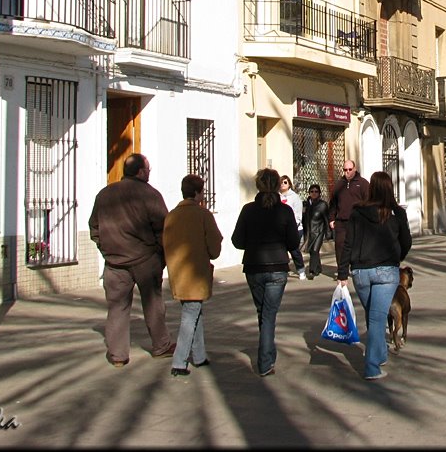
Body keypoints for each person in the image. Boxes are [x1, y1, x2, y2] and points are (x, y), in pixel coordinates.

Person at [89, 153, 175, 367]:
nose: (149, 173)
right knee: (153, 303)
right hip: (145, 258)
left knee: (117, 307)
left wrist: (105, 248)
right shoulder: (149, 194)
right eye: (148, 169)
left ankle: (118, 355)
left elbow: (94, 227)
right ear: (140, 171)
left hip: (115, 262)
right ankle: (161, 345)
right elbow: (164, 227)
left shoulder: (104, 194)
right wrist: (159, 252)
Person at [337, 171, 412, 381]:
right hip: (387, 271)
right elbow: (406, 241)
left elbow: (348, 243)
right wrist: (397, 256)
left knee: (374, 316)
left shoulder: (358, 211)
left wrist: (343, 271)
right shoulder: (396, 213)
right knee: (377, 317)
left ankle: (379, 354)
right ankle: (372, 367)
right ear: (390, 189)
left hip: (361, 271)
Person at [231, 167, 301, 377]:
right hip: (277, 267)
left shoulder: (248, 210)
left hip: (254, 266)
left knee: (263, 312)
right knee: (269, 314)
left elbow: (237, 240)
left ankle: (266, 355)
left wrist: (254, 243)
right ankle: (265, 360)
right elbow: (294, 241)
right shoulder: (284, 211)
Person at [162, 174, 223, 377]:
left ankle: (199, 355)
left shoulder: (172, 215)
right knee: (190, 314)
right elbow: (214, 247)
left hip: (178, 273)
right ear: (198, 193)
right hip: (195, 273)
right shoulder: (203, 215)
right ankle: (180, 361)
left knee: (194, 311)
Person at [328, 159, 370, 275]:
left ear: (354, 169)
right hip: (341, 222)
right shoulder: (339, 185)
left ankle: (357, 268)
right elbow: (333, 204)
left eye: (350, 169)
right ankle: (342, 270)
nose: (347, 172)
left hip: (358, 221)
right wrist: (332, 218)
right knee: (340, 247)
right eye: (345, 170)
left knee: (357, 246)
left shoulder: (363, 183)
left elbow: (368, 202)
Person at [280, 175, 306, 280]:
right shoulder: (277, 196)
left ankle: (301, 270)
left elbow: (298, 214)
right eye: (281, 182)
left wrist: (293, 226)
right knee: (282, 250)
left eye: (285, 182)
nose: (282, 184)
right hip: (281, 228)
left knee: (294, 250)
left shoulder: (294, 197)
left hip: (295, 228)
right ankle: (284, 269)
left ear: (289, 184)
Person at [303, 183, 329, 277]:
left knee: (315, 250)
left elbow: (326, 219)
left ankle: (312, 270)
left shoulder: (322, 205)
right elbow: (304, 217)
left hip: (319, 230)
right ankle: (318, 268)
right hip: (309, 231)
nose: (314, 193)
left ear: (319, 193)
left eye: (316, 191)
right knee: (311, 251)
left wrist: (328, 232)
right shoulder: (306, 204)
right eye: (312, 191)